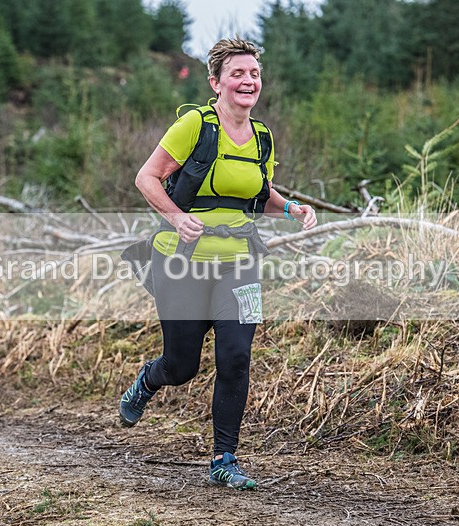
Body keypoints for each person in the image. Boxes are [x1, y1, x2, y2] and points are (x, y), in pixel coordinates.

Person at [119, 37, 317, 491]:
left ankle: (224, 459)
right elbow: (146, 177)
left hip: (239, 263)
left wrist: (290, 209)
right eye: (237, 74)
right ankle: (150, 379)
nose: (248, 81)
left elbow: (256, 193)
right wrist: (175, 216)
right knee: (182, 365)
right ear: (216, 82)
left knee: (236, 356)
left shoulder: (262, 136)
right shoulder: (195, 125)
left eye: (254, 74)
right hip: (182, 262)